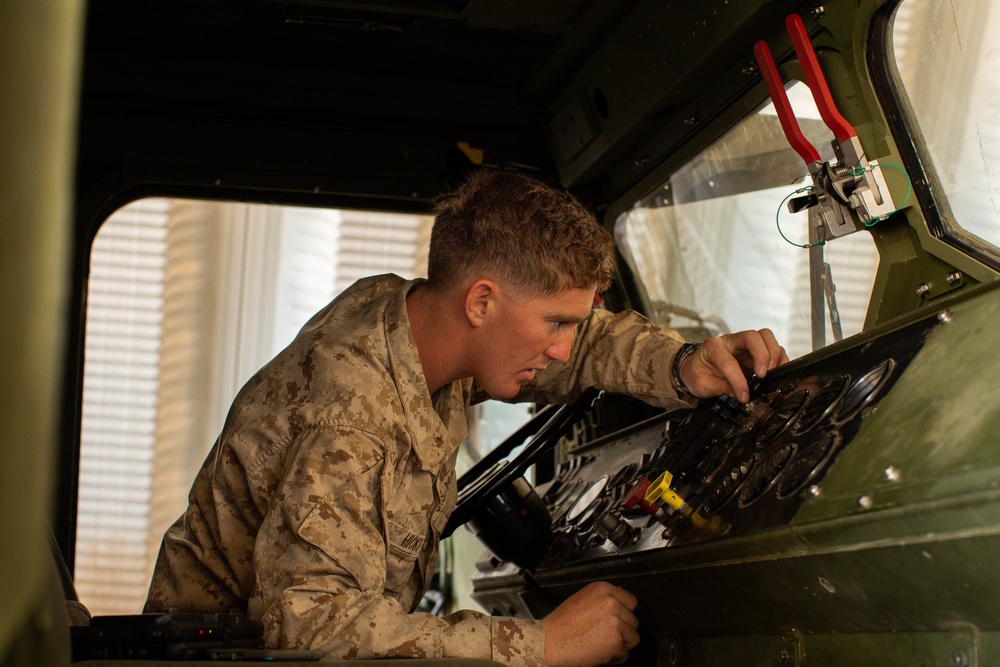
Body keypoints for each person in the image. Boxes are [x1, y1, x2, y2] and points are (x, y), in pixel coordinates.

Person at [144, 169, 787, 667]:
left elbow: (585, 346)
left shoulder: (415, 319)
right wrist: (541, 644)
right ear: (482, 300)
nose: (563, 347)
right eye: (554, 323)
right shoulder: (352, 418)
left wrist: (682, 366)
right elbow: (312, 627)